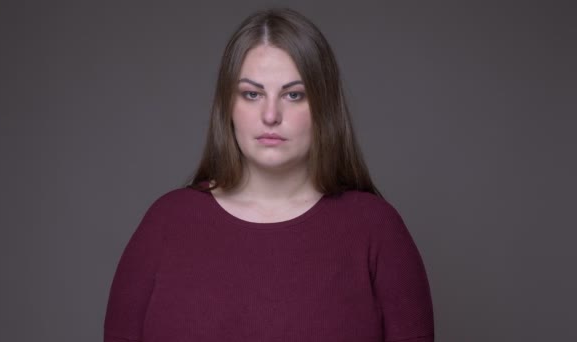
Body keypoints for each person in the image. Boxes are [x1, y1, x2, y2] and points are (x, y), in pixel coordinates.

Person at [104, 8, 434, 342]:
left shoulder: (376, 230)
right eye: (252, 93)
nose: (271, 115)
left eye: (294, 95)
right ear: (227, 106)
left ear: (323, 107)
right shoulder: (166, 223)